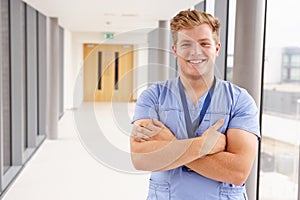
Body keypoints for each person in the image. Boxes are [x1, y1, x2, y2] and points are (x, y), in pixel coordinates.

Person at [130, 10, 260, 200]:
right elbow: (141, 158)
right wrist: (203, 146)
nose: (195, 52)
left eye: (204, 43)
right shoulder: (153, 97)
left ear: (216, 48)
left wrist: (169, 144)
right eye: (186, 44)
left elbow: (238, 172)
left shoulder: (239, 100)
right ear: (175, 50)